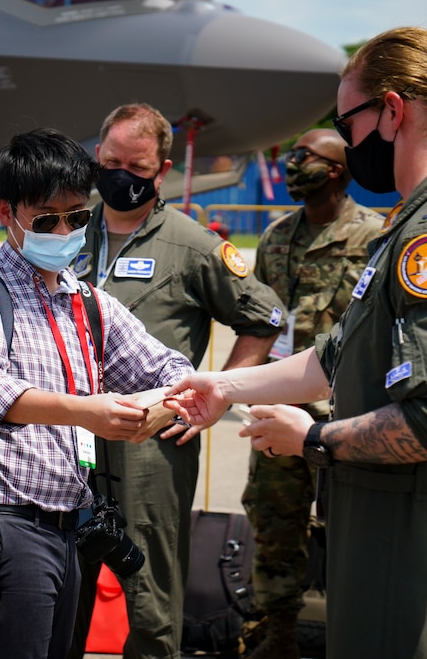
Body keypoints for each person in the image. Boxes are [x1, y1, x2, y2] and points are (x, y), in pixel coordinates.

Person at [166, 26, 427, 658]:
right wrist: (222, 386)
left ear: (392, 110)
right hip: (386, 541)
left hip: (411, 553)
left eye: (348, 123)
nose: (348, 142)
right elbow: (334, 356)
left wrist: (314, 439)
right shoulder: (415, 220)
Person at [0, 128, 193, 659]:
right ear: (6, 213)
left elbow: (169, 367)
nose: (64, 230)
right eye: (46, 219)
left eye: (77, 217)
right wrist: (87, 412)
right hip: (7, 524)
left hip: (73, 525)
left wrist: (161, 406)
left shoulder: (88, 302)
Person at [70, 103, 284, 659]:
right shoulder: (67, 231)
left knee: (149, 582)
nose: (120, 175)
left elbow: (264, 317)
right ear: (98, 156)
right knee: (65, 575)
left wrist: (211, 396)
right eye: (111, 161)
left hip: (151, 439)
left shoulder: (194, 245)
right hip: (67, 432)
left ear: (161, 170)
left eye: (136, 168)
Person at [239, 127, 382, 658]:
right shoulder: (277, 236)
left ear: (338, 170)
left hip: (343, 416)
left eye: (305, 157)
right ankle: (279, 635)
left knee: (350, 527)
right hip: (280, 408)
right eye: (292, 154)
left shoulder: (374, 236)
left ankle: (354, 634)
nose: (293, 164)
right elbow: (264, 321)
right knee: (274, 519)